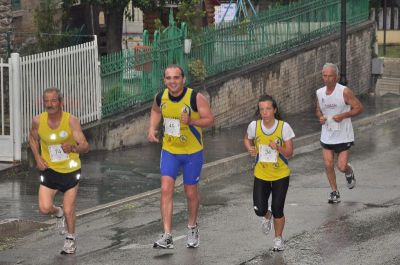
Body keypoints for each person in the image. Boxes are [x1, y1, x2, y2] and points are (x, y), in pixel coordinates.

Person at [148, 64, 214, 249]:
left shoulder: (195, 97)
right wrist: (152, 128)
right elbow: (155, 110)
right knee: (165, 189)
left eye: (176, 77)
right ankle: (167, 235)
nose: (172, 81)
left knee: (190, 192)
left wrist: (192, 120)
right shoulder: (160, 97)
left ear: (183, 79)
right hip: (170, 150)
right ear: (164, 80)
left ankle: (192, 227)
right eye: (168, 78)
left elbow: (210, 120)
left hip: (192, 152)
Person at [29, 87, 89, 254]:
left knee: (70, 208)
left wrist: (72, 148)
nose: (50, 104)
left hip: (70, 170)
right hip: (50, 170)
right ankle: (58, 212)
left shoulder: (71, 121)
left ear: (61, 102)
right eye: (46, 101)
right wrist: (38, 159)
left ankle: (70, 239)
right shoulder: (37, 121)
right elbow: (32, 139)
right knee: (44, 208)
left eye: (54, 100)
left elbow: (85, 146)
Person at [243, 95, 295, 252]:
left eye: (268, 109)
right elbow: (247, 139)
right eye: (262, 109)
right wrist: (250, 148)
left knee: (278, 208)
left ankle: (278, 239)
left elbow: (290, 152)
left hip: (280, 174)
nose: (264, 112)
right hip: (261, 173)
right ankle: (266, 216)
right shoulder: (254, 126)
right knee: (259, 208)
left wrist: (278, 147)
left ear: (274, 110)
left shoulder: (283, 127)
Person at [315, 63, 364, 204]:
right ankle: (334, 192)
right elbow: (318, 109)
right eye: (325, 76)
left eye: (330, 76)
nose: (327, 79)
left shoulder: (344, 91)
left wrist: (343, 115)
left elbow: (359, 108)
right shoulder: (319, 93)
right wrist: (320, 117)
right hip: (327, 133)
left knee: (341, 166)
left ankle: (349, 171)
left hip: (343, 134)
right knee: (328, 164)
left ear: (336, 77)